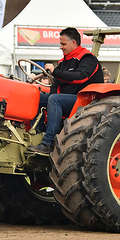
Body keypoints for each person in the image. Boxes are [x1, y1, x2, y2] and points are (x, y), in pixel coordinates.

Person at [27, 27, 104, 155]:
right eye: (60, 44)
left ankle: (48, 142)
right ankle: (36, 133)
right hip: (69, 100)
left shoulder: (87, 59)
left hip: (86, 101)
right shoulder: (63, 62)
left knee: (55, 99)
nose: (61, 47)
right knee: (36, 96)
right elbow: (55, 85)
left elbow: (80, 78)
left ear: (73, 43)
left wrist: (55, 72)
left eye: (63, 44)